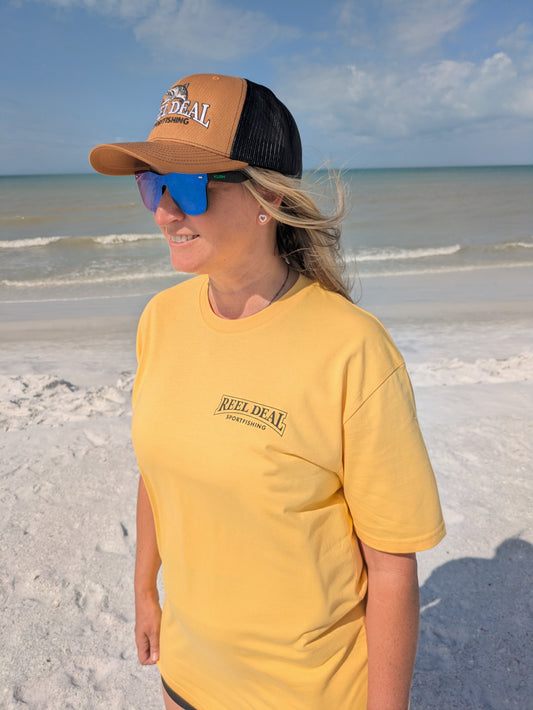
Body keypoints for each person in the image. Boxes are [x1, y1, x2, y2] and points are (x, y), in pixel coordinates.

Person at [89, 73, 445, 710]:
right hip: (186, 679)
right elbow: (157, 470)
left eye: (187, 185)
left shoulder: (352, 349)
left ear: (268, 197)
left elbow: (391, 566)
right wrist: (144, 591)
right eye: (152, 184)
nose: (165, 212)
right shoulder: (159, 321)